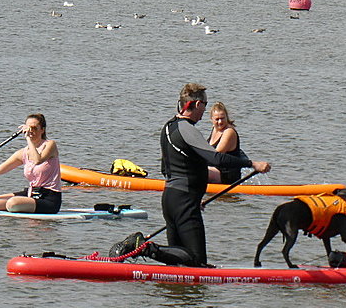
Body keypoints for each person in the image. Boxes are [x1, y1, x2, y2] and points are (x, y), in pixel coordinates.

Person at [111, 83, 271, 267]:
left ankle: (172, 290)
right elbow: (215, 158)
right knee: (197, 261)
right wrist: (252, 164)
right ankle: (145, 248)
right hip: (184, 201)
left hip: (171, 199)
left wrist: (194, 198)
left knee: (178, 263)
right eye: (205, 105)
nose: (205, 111)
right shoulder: (186, 129)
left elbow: (167, 169)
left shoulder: (167, 127)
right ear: (196, 104)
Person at [207, 102, 250, 184]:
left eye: (222, 118)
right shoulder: (215, 129)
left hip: (228, 175)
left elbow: (215, 157)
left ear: (227, 117)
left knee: (197, 170)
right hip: (215, 170)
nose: (220, 122)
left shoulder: (229, 132)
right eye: (217, 119)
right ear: (211, 119)